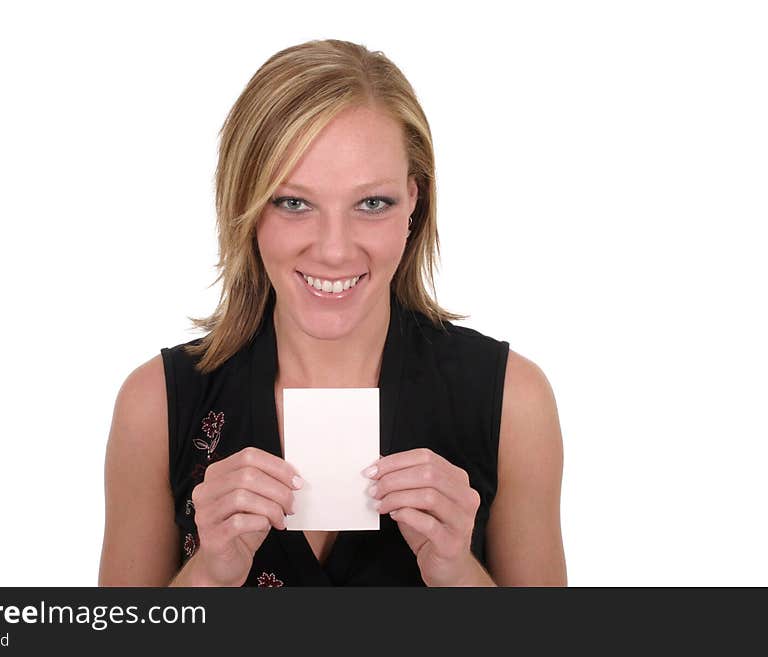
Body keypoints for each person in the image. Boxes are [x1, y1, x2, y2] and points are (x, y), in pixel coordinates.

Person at [98, 39, 567, 587]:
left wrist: (457, 573)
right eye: (293, 203)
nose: (335, 250)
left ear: (413, 202)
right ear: (244, 208)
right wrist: (207, 576)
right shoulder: (154, 406)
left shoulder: (515, 402)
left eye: (372, 203)